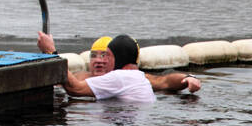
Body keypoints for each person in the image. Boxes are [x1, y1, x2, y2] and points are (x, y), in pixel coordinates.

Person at [37, 33, 201, 101]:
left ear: (118, 58)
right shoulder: (133, 77)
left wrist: (51, 51)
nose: (101, 61)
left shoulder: (120, 77)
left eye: (106, 56)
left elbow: (164, 81)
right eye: (95, 56)